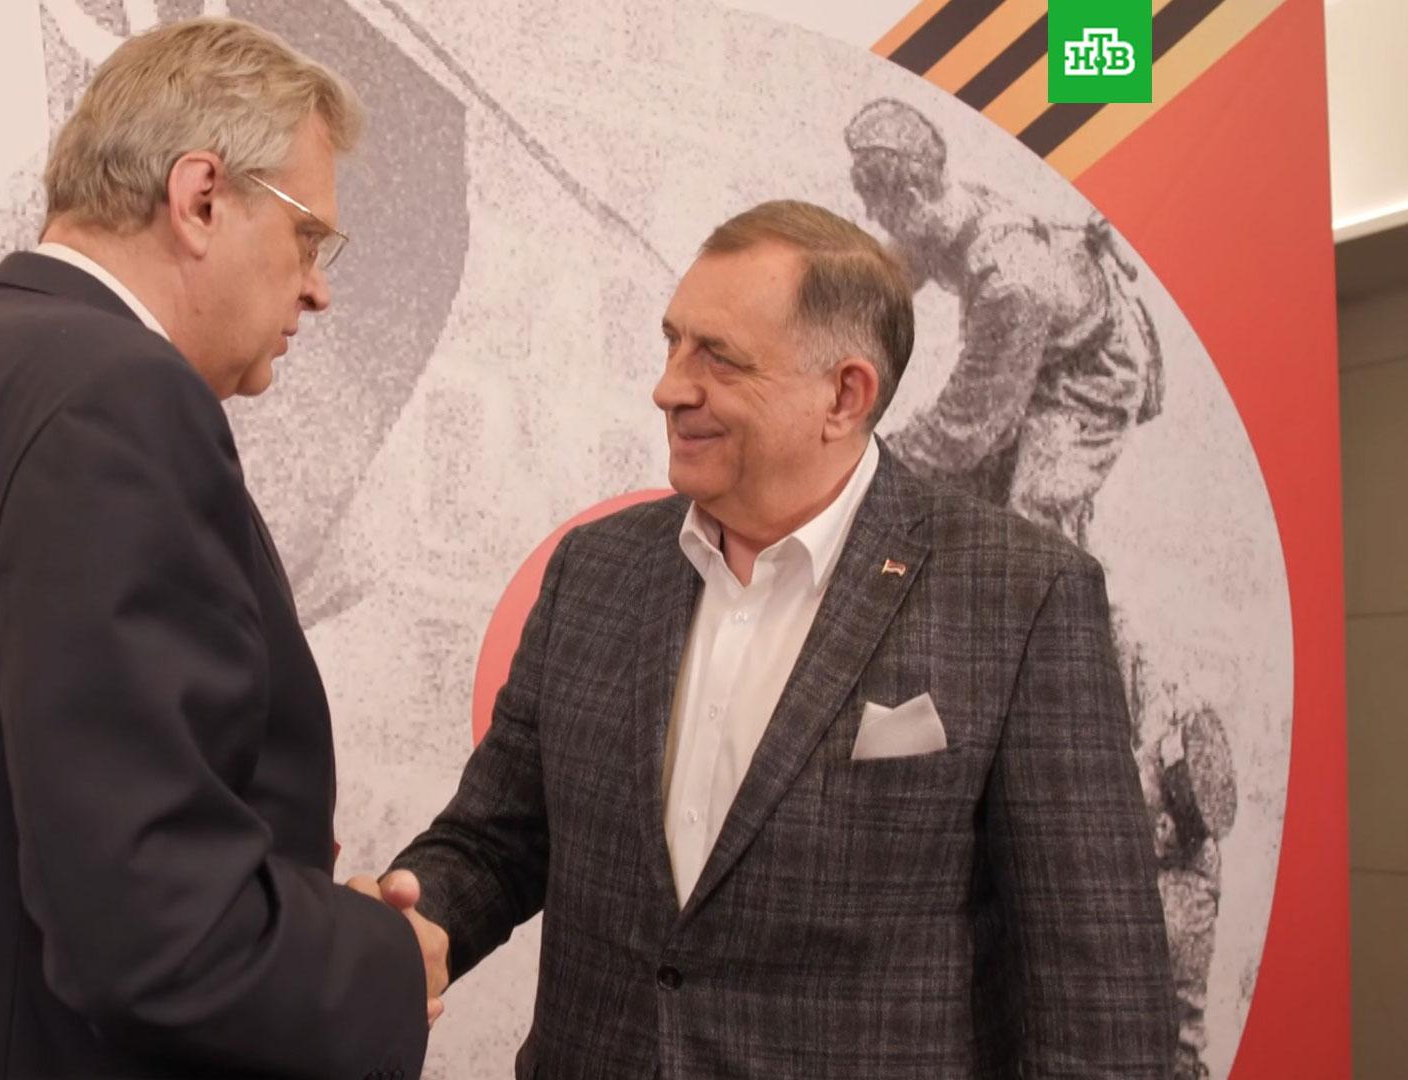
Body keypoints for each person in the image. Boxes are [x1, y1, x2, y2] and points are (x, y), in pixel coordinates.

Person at [0, 17, 439, 1079]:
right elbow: (155, 926)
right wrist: (379, 962)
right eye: (309, 240)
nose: (318, 289)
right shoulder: (120, 401)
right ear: (201, 198)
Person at [380, 200, 1175, 1078]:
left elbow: (1100, 1007)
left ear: (844, 395)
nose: (669, 387)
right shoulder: (594, 570)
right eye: (673, 343)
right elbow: (498, 839)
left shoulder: (1022, 596)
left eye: (717, 357)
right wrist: (408, 924)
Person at [845, 97, 1163, 548]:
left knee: (1033, 522)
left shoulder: (1009, 284)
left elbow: (964, 428)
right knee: (970, 489)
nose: (872, 219)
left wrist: (870, 469)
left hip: (1089, 376)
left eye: (878, 209)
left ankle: (1078, 587)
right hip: (1033, 343)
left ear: (911, 199)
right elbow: (890, 275)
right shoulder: (944, 213)